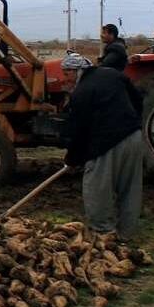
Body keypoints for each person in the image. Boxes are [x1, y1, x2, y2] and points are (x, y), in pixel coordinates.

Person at [62, 55, 145, 240]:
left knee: (97, 189)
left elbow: (78, 132)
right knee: (129, 188)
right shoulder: (112, 74)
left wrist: (72, 158)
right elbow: (138, 98)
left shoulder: (81, 93)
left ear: (76, 71)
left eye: (66, 73)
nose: (64, 78)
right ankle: (126, 234)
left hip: (107, 144)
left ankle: (103, 233)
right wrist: (134, 122)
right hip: (134, 137)